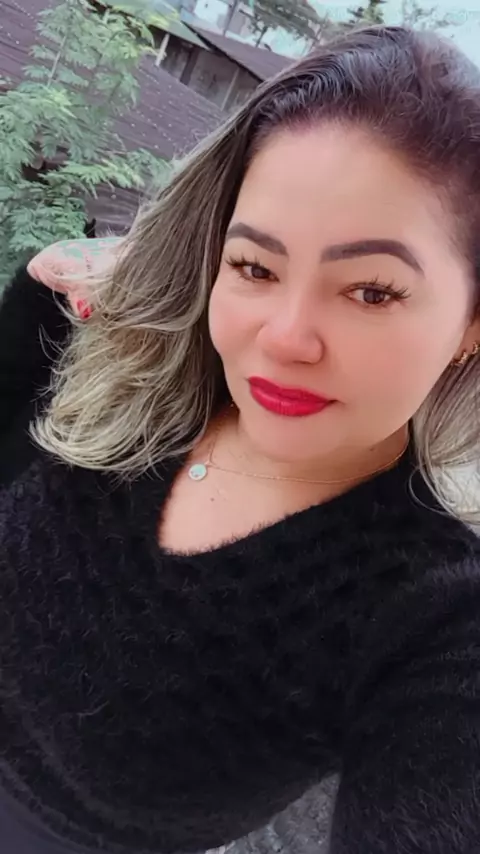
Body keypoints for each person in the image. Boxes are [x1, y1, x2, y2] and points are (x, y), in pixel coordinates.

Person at [1, 23, 480, 854]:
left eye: (372, 290)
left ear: (471, 324)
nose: (286, 337)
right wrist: (49, 292)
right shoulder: (114, 365)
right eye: (256, 267)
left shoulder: (436, 619)